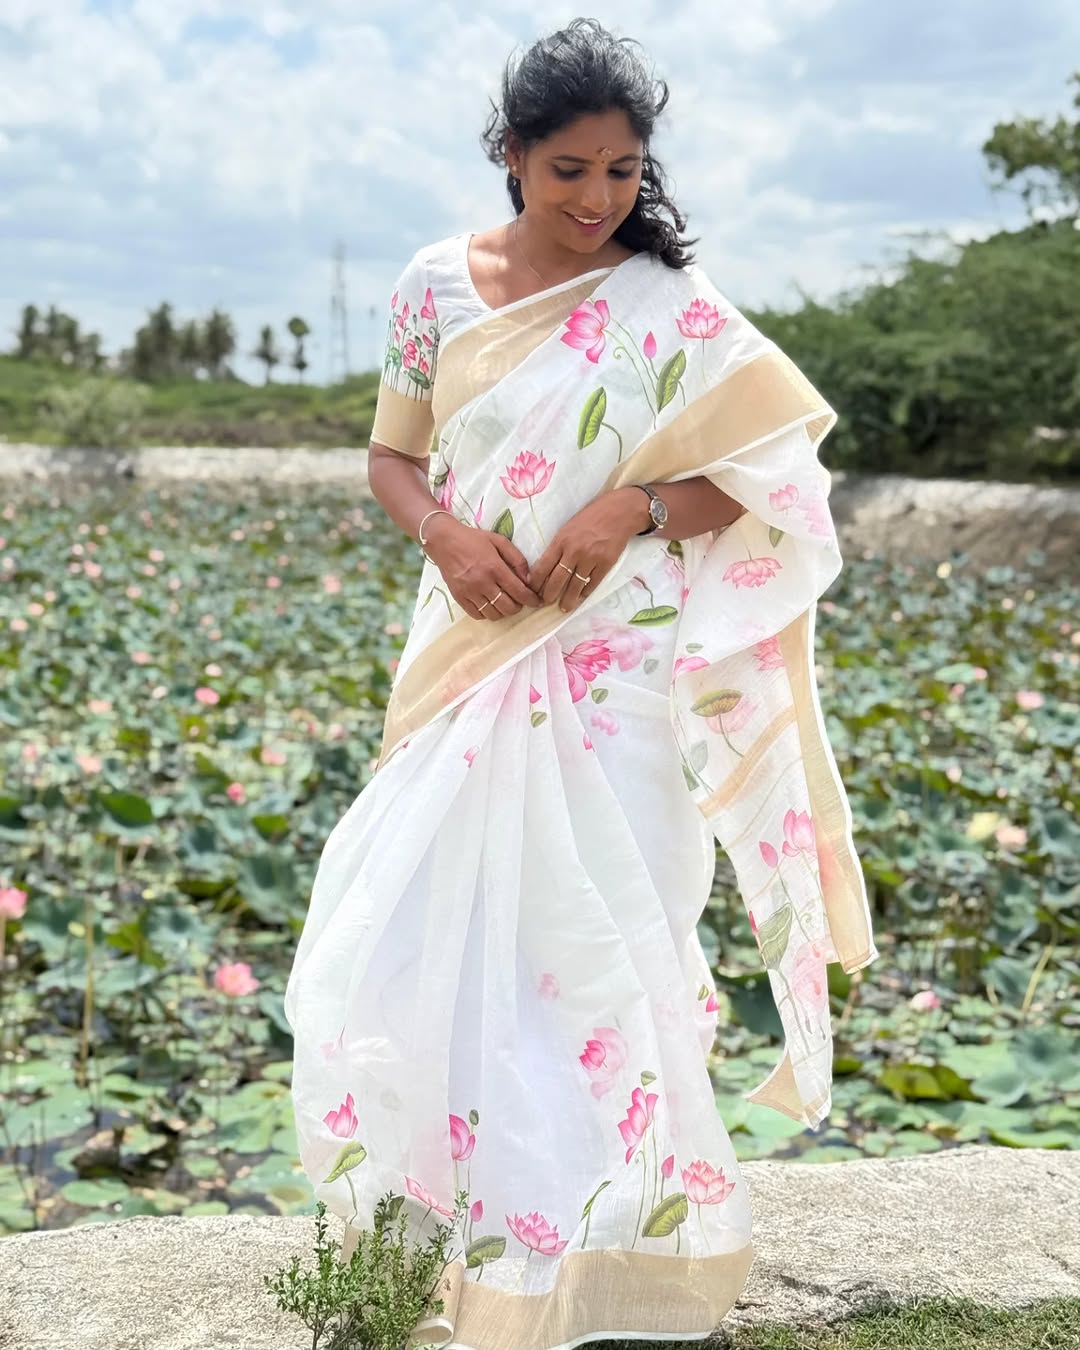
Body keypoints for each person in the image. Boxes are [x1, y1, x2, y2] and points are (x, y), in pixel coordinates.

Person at [284, 17, 877, 1349]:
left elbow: (779, 474)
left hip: (620, 674)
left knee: (606, 943)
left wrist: (636, 510)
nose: (598, 198)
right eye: (568, 171)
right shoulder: (437, 285)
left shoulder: (671, 308)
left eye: (621, 170)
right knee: (429, 932)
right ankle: (461, 1247)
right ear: (511, 157)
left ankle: (612, 1262)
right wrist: (442, 528)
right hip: (467, 648)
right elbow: (392, 457)